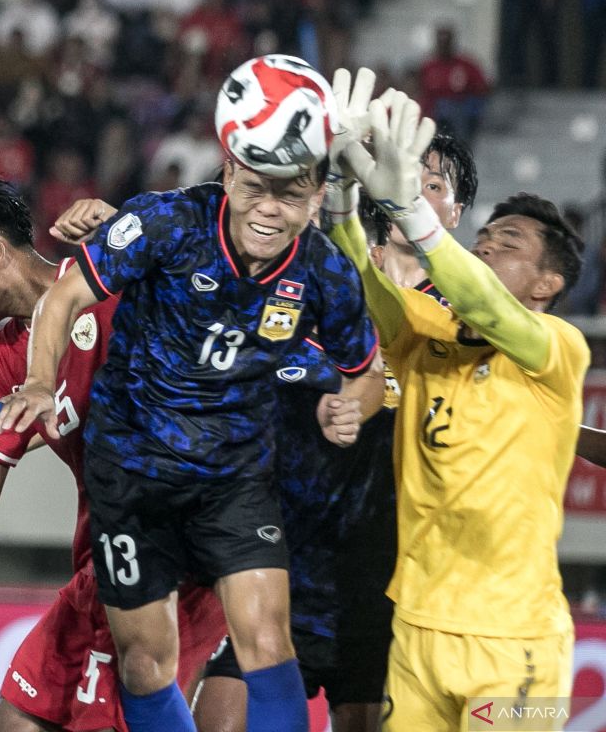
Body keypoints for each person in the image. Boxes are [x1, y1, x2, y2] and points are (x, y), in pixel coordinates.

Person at [0, 126, 382, 730]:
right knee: (146, 665)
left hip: (234, 471)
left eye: (291, 194)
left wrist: (351, 403)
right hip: (132, 470)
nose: (270, 208)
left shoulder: (325, 272)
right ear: (229, 174)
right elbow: (64, 295)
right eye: (255, 187)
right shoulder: (169, 223)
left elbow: (366, 369)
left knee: (267, 642)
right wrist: (40, 380)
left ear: (315, 200)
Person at [0, 167, 228, 732]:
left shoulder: (104, 276)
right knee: (15, 721)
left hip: (185, 563)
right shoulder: (9, 354)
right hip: (100, 567)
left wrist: (126, 229)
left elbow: (210, 281)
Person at [195, 124, 480, 732]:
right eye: (408, 178)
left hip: (384, 583)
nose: (415, 191)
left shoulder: (469, 322)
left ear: (454, 214)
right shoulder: (324, 276)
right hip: (282, 564)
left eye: (434, 186)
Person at [325, 85, 588, 731]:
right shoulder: (428, 334)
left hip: (516, 639)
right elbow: (370, 289)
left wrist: (414, 209)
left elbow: (491, 309)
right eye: (489, 235)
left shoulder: (556, 347)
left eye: (513, 242)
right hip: (416, 626)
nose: (490, 245)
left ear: (547, 284)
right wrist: (342, 200)